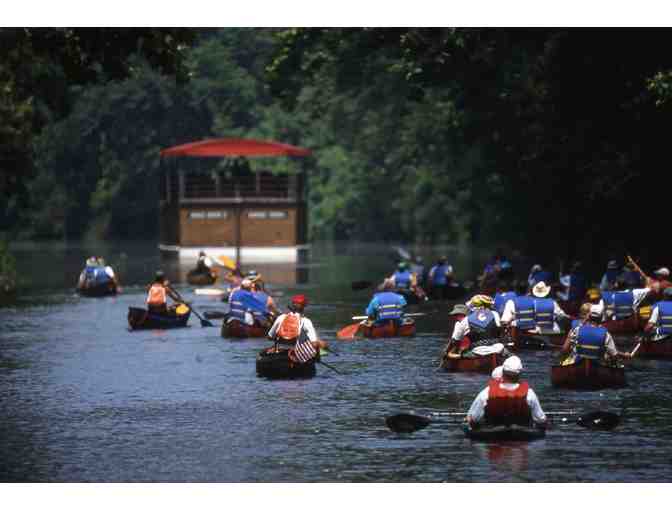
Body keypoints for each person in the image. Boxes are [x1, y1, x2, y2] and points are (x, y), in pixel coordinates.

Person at [465, 356, 547, 431]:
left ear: (503, 372)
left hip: (493, 434)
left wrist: (470, 421)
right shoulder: (529, 393)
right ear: (519, 374)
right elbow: (541, 420)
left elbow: (474, 419)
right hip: (522, 434)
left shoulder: (486, 392)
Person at [560, 304, 632, 365]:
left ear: (589, 316)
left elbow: (564, 350)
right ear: (601, 318)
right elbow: (614, 355)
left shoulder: (576, 330)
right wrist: (623, 356)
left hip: (577, 363)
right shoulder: (605, 334)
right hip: (597, 366)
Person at [267, 294, 328, 364]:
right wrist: (322, 346)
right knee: (321, 344)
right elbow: (314, 344)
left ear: (292, 305)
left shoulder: (281, 317)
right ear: (304, 307)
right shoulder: (306, 321)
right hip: (296, 355)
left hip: (279, 352)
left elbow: (269, 337)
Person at [501, 281, 570, 334]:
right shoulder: (553, 303)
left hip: (531, 332)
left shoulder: (527, 302)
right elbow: (562, 316)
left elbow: (505, 321)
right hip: (551, 332)